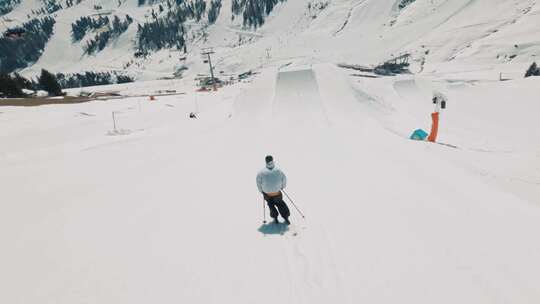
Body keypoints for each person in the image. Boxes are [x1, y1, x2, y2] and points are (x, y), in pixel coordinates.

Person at [256, 155, 291, 225]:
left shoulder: (261, 172)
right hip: (277, 193)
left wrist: (262, 191)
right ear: (272, 160)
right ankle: (286, 217)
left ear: (266, 161)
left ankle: (275, 218)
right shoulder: (278, 170)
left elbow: (258, 183)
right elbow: (284, 179)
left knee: (271, 205)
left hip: (267, 194)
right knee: (280, 204)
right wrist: (282, 187)